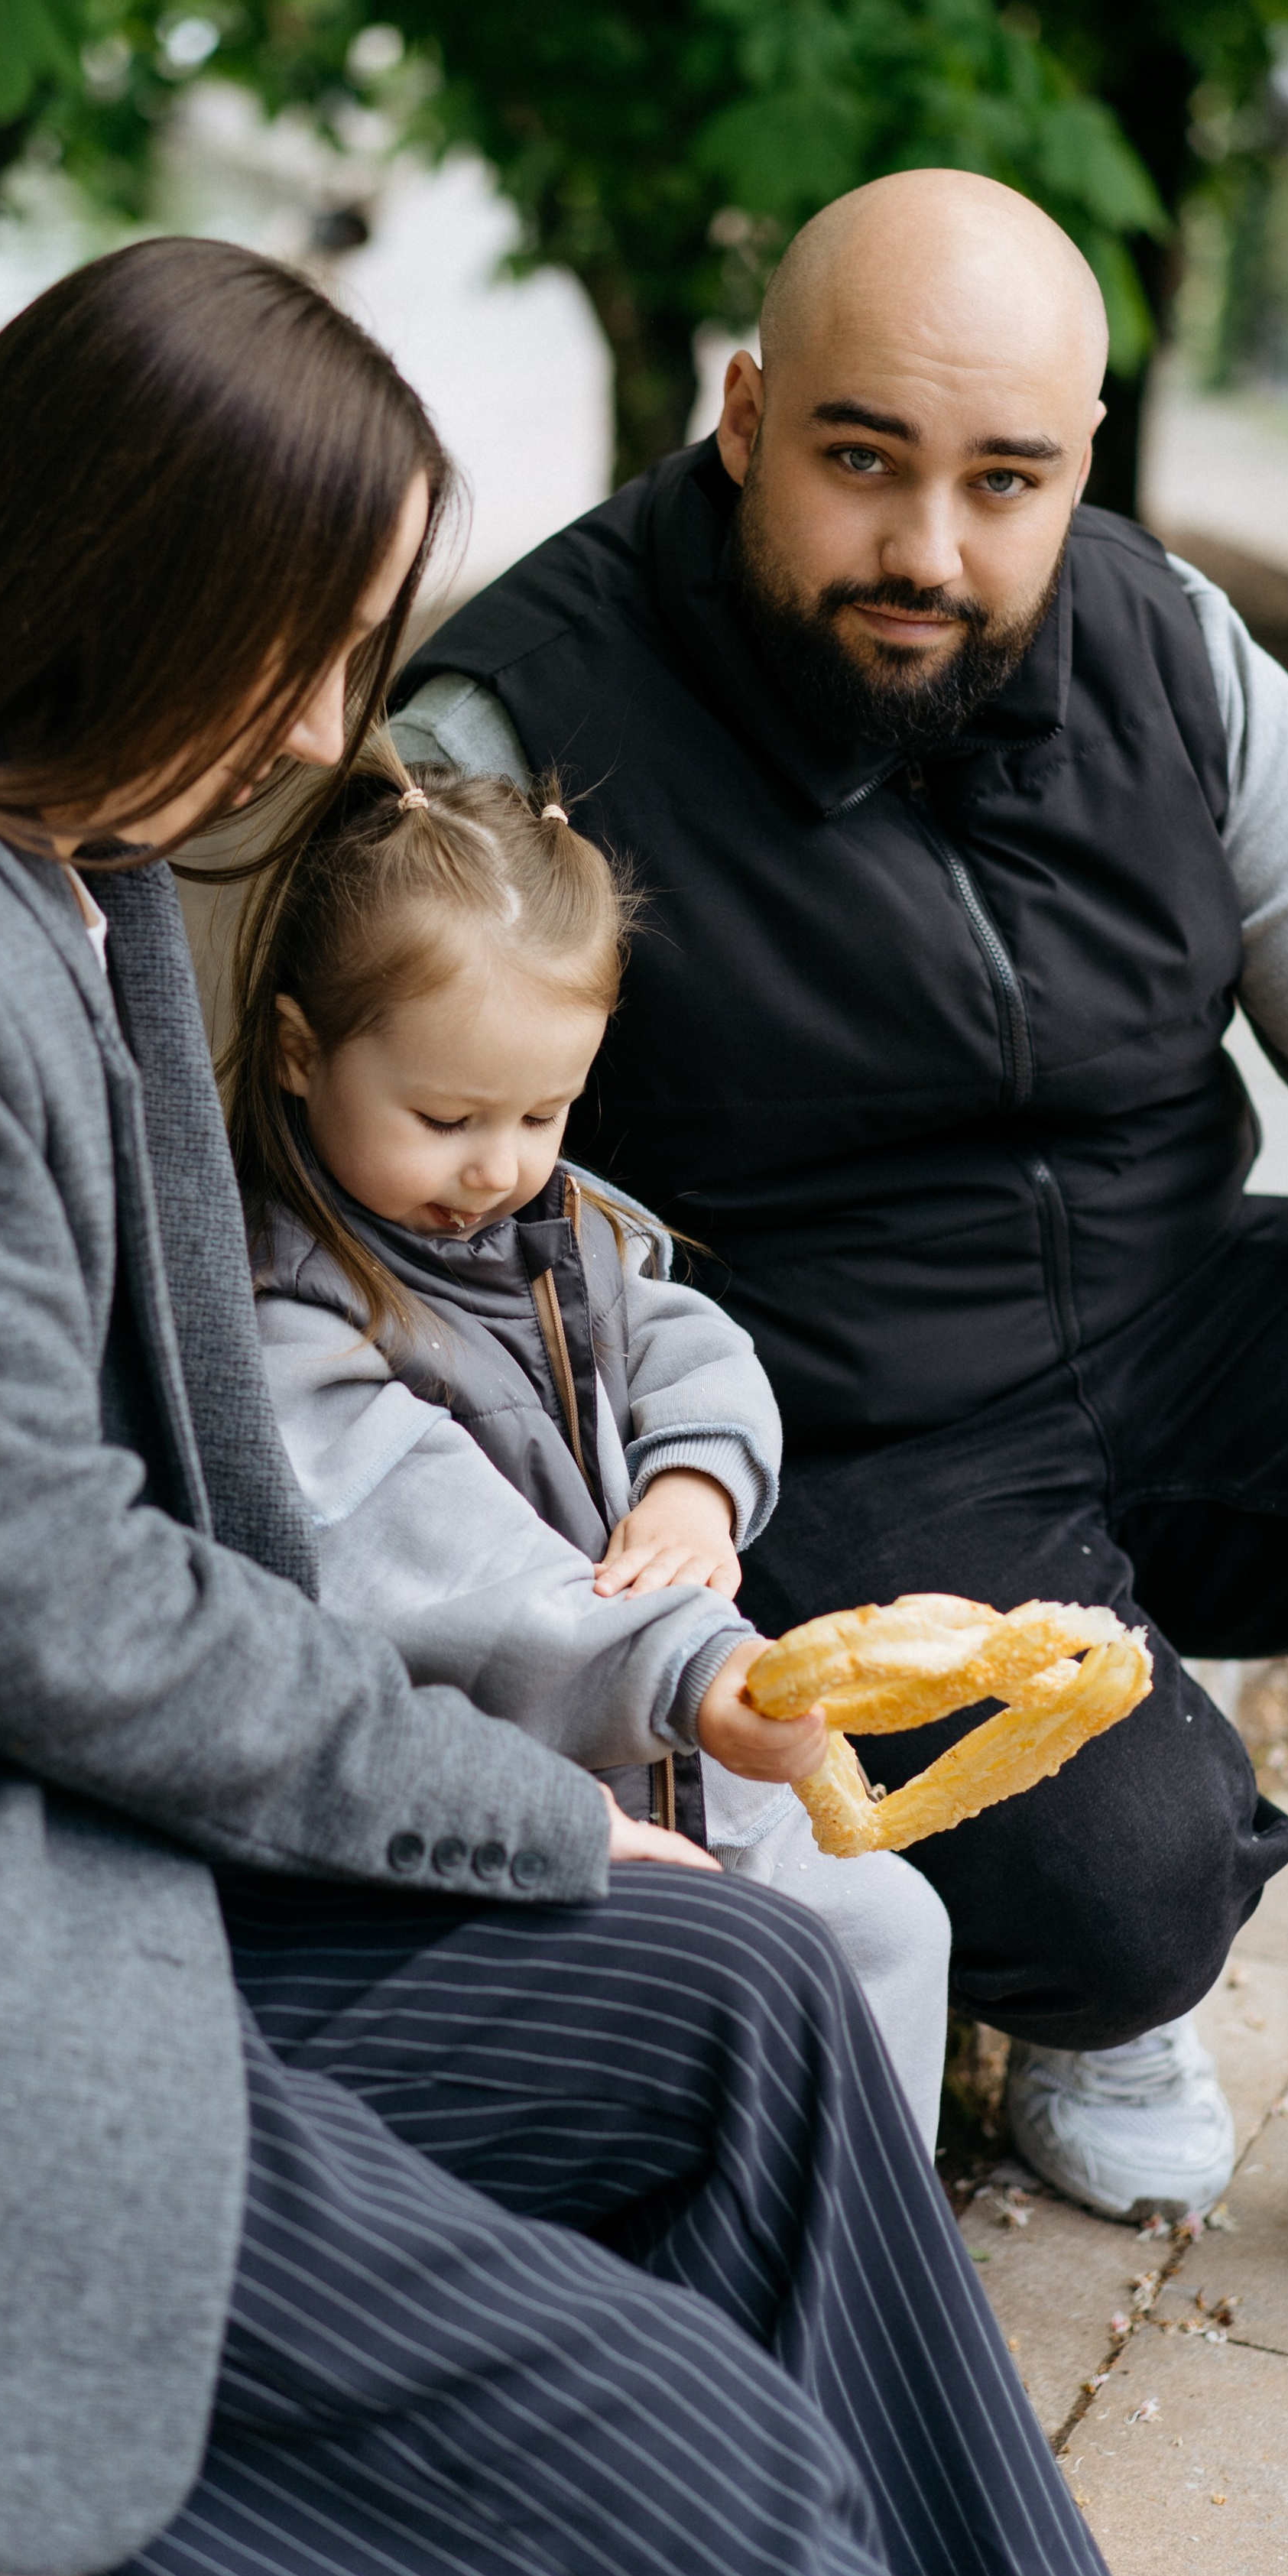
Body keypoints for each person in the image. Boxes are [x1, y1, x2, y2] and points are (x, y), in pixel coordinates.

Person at [0, 235, 1118, 2576]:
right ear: (121, 579)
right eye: (296, 641)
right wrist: (506, 1796)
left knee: (758, 1993)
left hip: (61, 1869)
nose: (322, 728)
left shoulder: (62, 897)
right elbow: (43, 1599)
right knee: (710, 2475)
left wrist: (562, 1785)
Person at [395, 167, 1288, 2366]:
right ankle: (1086, 1986)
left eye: (1002, 481)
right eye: (860, 462)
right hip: (828, 1410)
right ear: (743, 415)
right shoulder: (517, 725)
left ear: (1077, 468)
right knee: (1129, 1895)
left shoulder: (1169, 649)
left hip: (1177, 1313)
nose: (929, 548)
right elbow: (379, 1202)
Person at [226, 748, 955, 2138]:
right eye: (447, 1120)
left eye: (543, 1115)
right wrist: (684, 1664)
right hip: (524, 1809)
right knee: (715, 2020)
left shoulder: (562, 1232)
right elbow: (453, 1572)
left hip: (698, 1755)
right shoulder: (293, 1319)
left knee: (887, 1928)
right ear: (302, 1051)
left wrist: (693, 1482)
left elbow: (692, 1345)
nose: (499, 1165)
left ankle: (875, 2255)